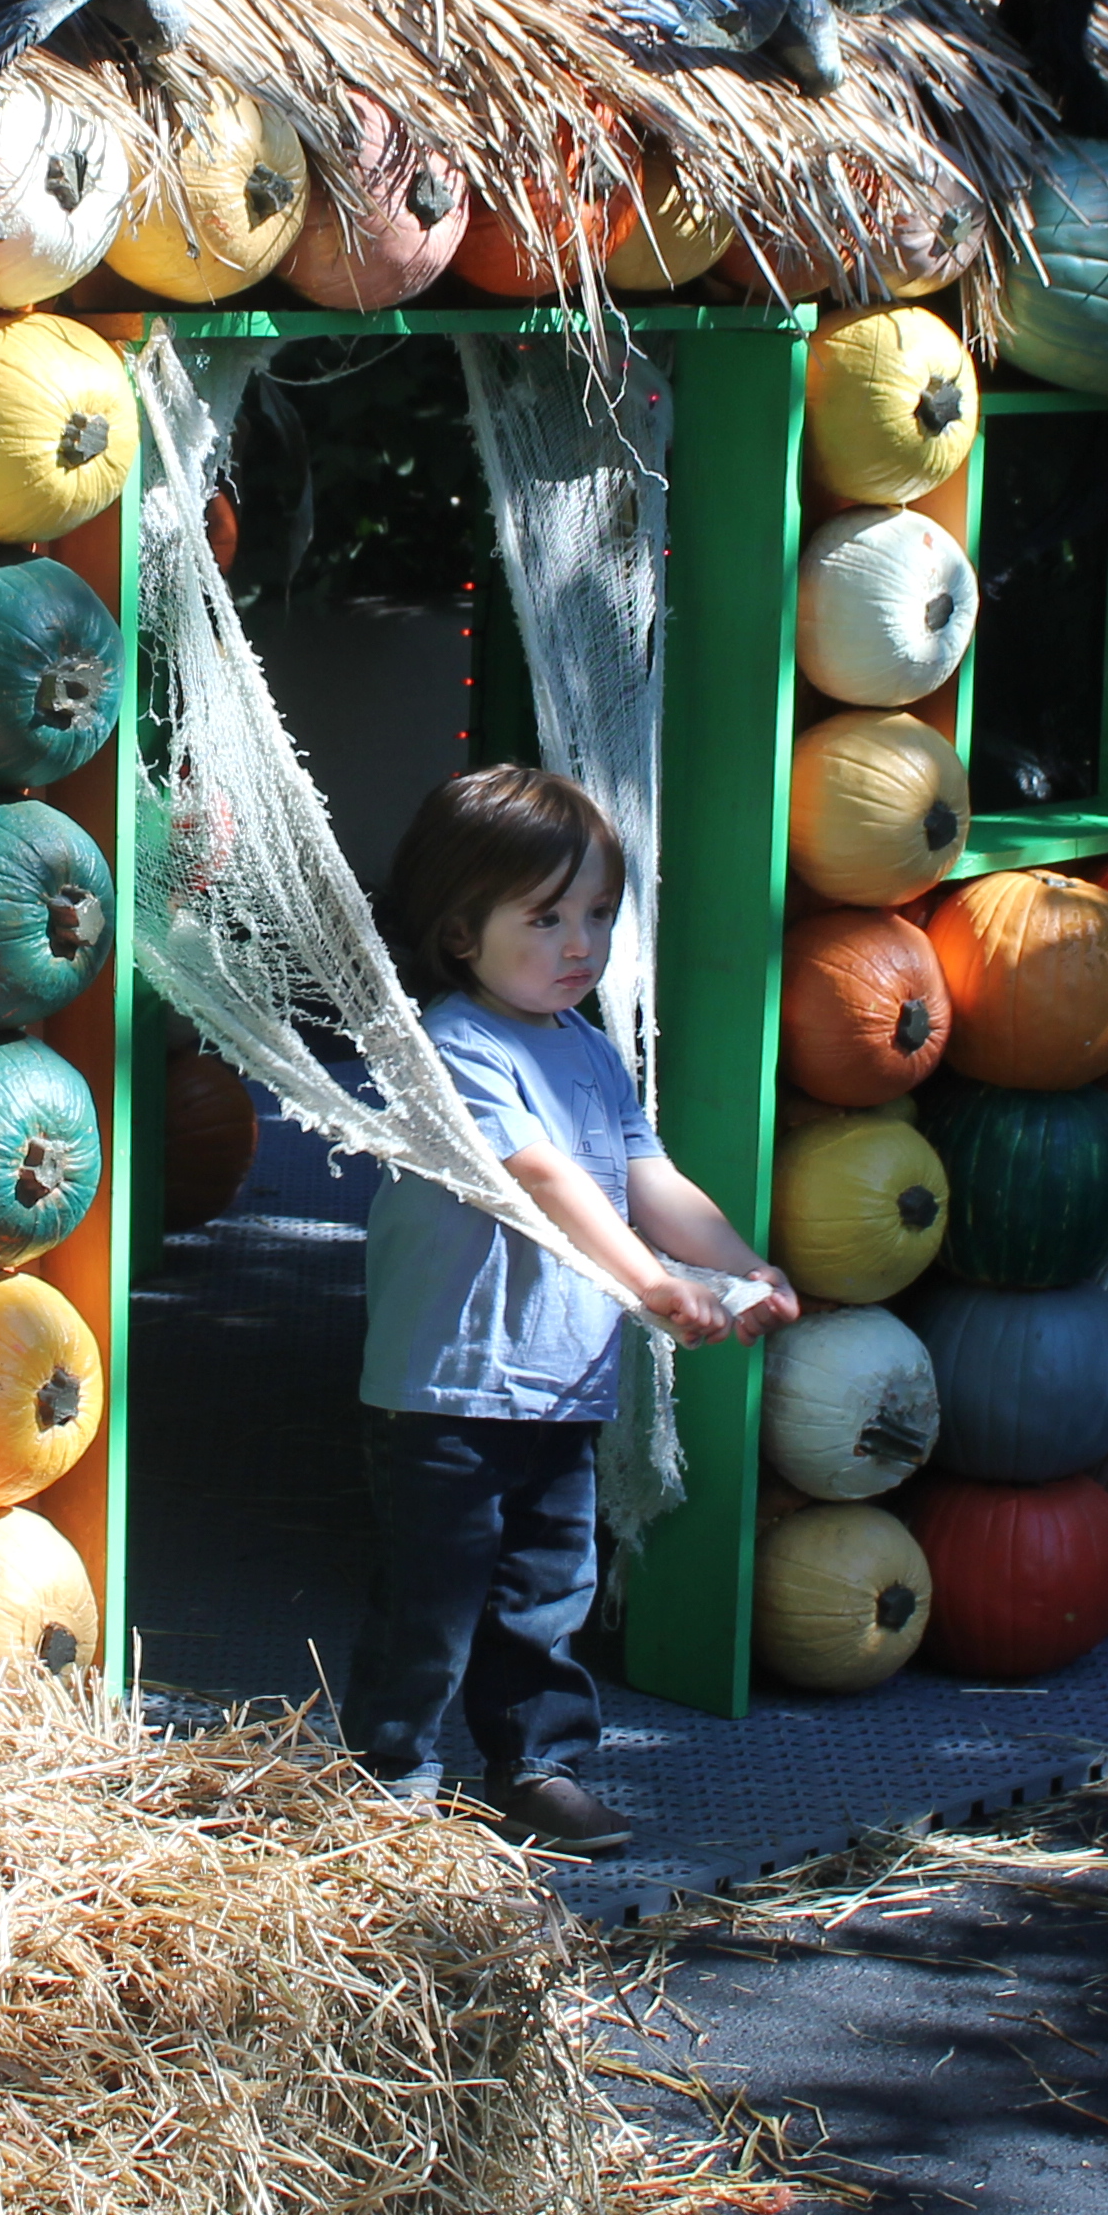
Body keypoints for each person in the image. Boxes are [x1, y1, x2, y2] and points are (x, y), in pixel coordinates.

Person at [348, 762, 795, 1849]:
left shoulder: (588, 1051)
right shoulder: (452, 1047)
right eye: (546, 918)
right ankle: (389, 1779)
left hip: (562, 1386)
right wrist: (649, 1284)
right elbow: (542, 1179)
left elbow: (649, 1177)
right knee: (434, 1604)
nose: (581, 944)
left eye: (597, 913)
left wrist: (745, 1264)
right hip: (446, 1391)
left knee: (548, 1597)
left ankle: (537, 1764)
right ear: (461, 931)